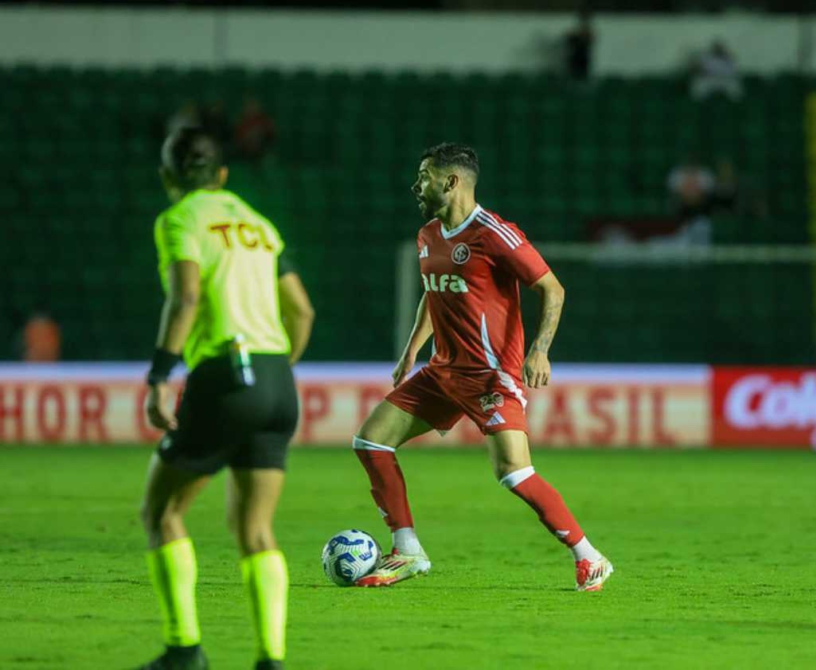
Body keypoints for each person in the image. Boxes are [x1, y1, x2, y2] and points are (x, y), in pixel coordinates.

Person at [350, 143, 613, 592]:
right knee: (371, 441)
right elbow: (437, 292)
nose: (417, 184)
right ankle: (407, 549)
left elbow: (553, 289)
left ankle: (589, 557)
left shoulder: (495, 234)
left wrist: (540, 350)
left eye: (425, 174)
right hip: (441, 372)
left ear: (451, 182)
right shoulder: (428, 235)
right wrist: (412, 349)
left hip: (491, 375)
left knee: (513, 472)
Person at [136, 128, 315, 670]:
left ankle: (184, 649)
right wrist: (275, 373)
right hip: (278, 382)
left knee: (162, 512)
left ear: (169, 177)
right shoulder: (259, 225)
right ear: (222, 174)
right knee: (254, 528)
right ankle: (271, 658)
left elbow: (186, 296)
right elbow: (302, 311)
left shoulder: (179, 219)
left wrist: (160, 374)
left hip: (224, 373)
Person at [235, 97, 276, 163]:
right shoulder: (242, 123)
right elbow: (238, 140)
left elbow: (271, 137)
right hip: (245, 153)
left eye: (253, 104)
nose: (251, 107)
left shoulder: (264, 121)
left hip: (263, 152)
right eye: (249, 105)